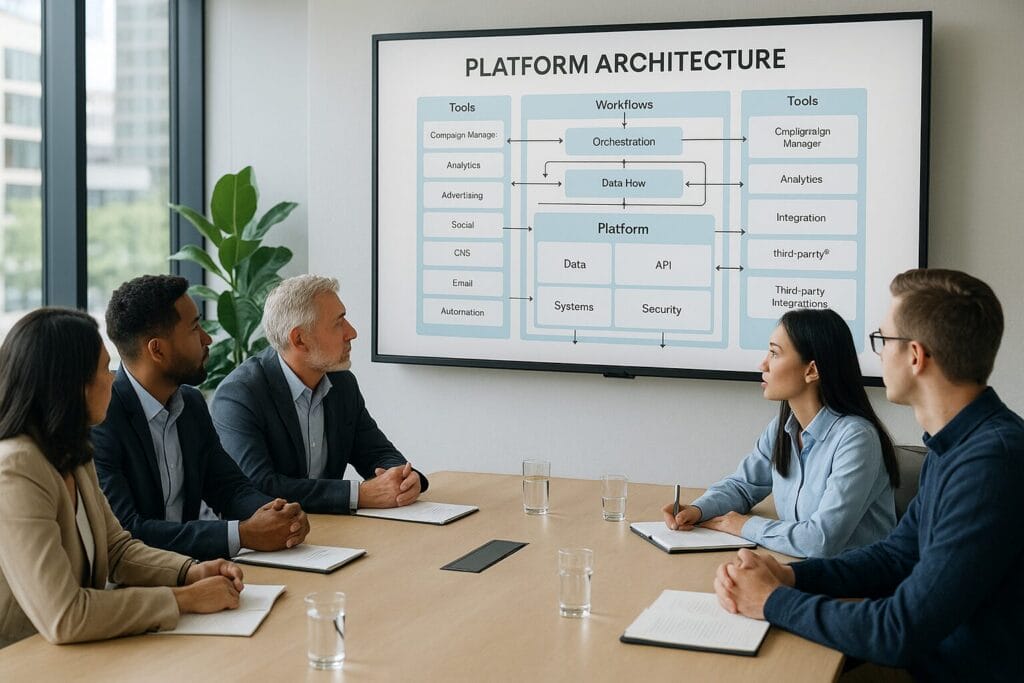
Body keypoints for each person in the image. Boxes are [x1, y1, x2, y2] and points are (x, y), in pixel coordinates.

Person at [713, 269, 1024, 680]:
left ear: (915, 356)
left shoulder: (990, 464)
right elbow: (896, 556)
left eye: (882, 340)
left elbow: (899, 630)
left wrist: (772, 601)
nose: (876, 354)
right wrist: (789, 575)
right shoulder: (954, 446)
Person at [0, 308, 245, 647]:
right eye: (104, 368)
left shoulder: (71, 450)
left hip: (82, 653)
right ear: (72, 385)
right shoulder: (16, 469)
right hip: (24, 659)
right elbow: (65, 615)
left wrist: (190, 571)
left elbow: (117, 549)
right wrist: (184, 599)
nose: (114, 377)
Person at [92, 275, 310, 560]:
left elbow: (229, 487)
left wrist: (279, 513)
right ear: (157, 349)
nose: (207, 339)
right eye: (195, 328)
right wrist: (242, 534)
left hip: (195, 568)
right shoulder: (102, 419)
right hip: (136, 583)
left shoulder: (191, 404)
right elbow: (128, 531)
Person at [663, 308, 899, 558]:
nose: (762, 364)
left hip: (858, 586)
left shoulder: (857, 439)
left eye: (774, 353)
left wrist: (743, 525)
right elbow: (743, 487)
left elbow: (820, 541)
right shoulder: (782, 427)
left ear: (811, 371)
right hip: (797, 567)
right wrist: (698, 510)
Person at [212, 275, 427, 514]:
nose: (352, 332)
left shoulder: (341, 382)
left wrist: (405, 478)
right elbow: (259, 486)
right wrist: (359, 495)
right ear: (300, 339)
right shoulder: (240, 394)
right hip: (264, 543)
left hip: (329, 532)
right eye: (338, 323)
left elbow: (376, 452)